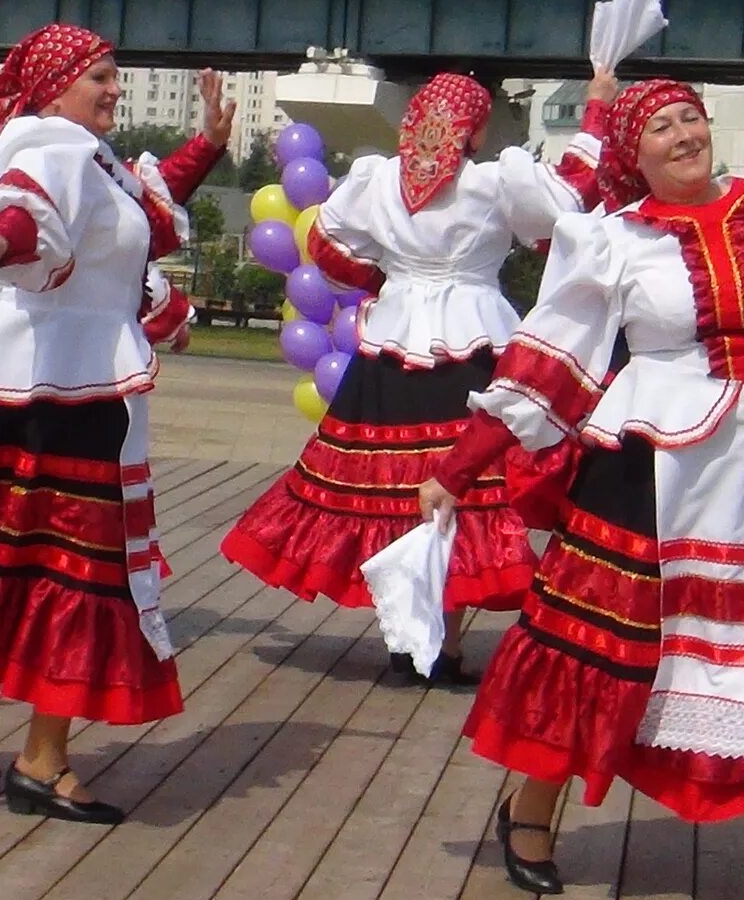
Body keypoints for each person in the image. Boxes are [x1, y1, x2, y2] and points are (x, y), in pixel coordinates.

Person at [416, 80, 744, 900]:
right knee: (596, 642)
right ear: (635, 155)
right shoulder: (609, 240)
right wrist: (462, 466)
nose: (684, 133)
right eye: (661, 126)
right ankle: (532, 813)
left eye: (690, 116)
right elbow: (549, 362)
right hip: (650, 460)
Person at [0, 23, 228, 824]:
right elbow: (30, 224)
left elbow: (143, 212)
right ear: (53, 88)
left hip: (43, 390)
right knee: (78, 571)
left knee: (21, 559)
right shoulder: (51, 149)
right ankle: (41, 764)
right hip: (61, 394)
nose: (113, 89)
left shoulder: (88, 157)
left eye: (116, 76)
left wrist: (206, 144)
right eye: (99, 77)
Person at [220, 69, 614, 683]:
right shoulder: (492, 182)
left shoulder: (376, 179)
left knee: (386, 491)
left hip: (390, 344)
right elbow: (571, 204)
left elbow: (326, 246)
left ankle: (405, 640)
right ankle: (443, 644)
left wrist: (386, 282)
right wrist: (594, 111)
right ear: (475, 129)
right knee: (462, 489)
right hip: (474, 338)